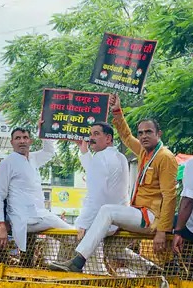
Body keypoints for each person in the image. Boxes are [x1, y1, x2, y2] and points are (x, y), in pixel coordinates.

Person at [49, 94, 177, 273]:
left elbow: (170, 196)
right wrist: (117, 111)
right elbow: (125, 136)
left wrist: (163, 231)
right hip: (137, 212)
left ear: (159, 134)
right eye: (140, 133)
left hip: (152, 217)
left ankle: (77, 262)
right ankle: (153, 271)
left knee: (107, 210)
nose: (143, 136)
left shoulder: (165, 157)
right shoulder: (143, 152)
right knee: (111, 250)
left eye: (148, 132)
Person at [0, 128, 72, 255]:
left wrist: (45, 129)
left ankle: (52, 264)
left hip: (38, 215)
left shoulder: (33, 158)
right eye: (18, 138)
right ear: (12, 142)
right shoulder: (7, 163)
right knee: (71, 233)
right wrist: (0, 226)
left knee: (63, 236)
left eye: (25, 137)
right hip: (23, 217)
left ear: (30, 141)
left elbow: (49, 152)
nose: (22, 141)